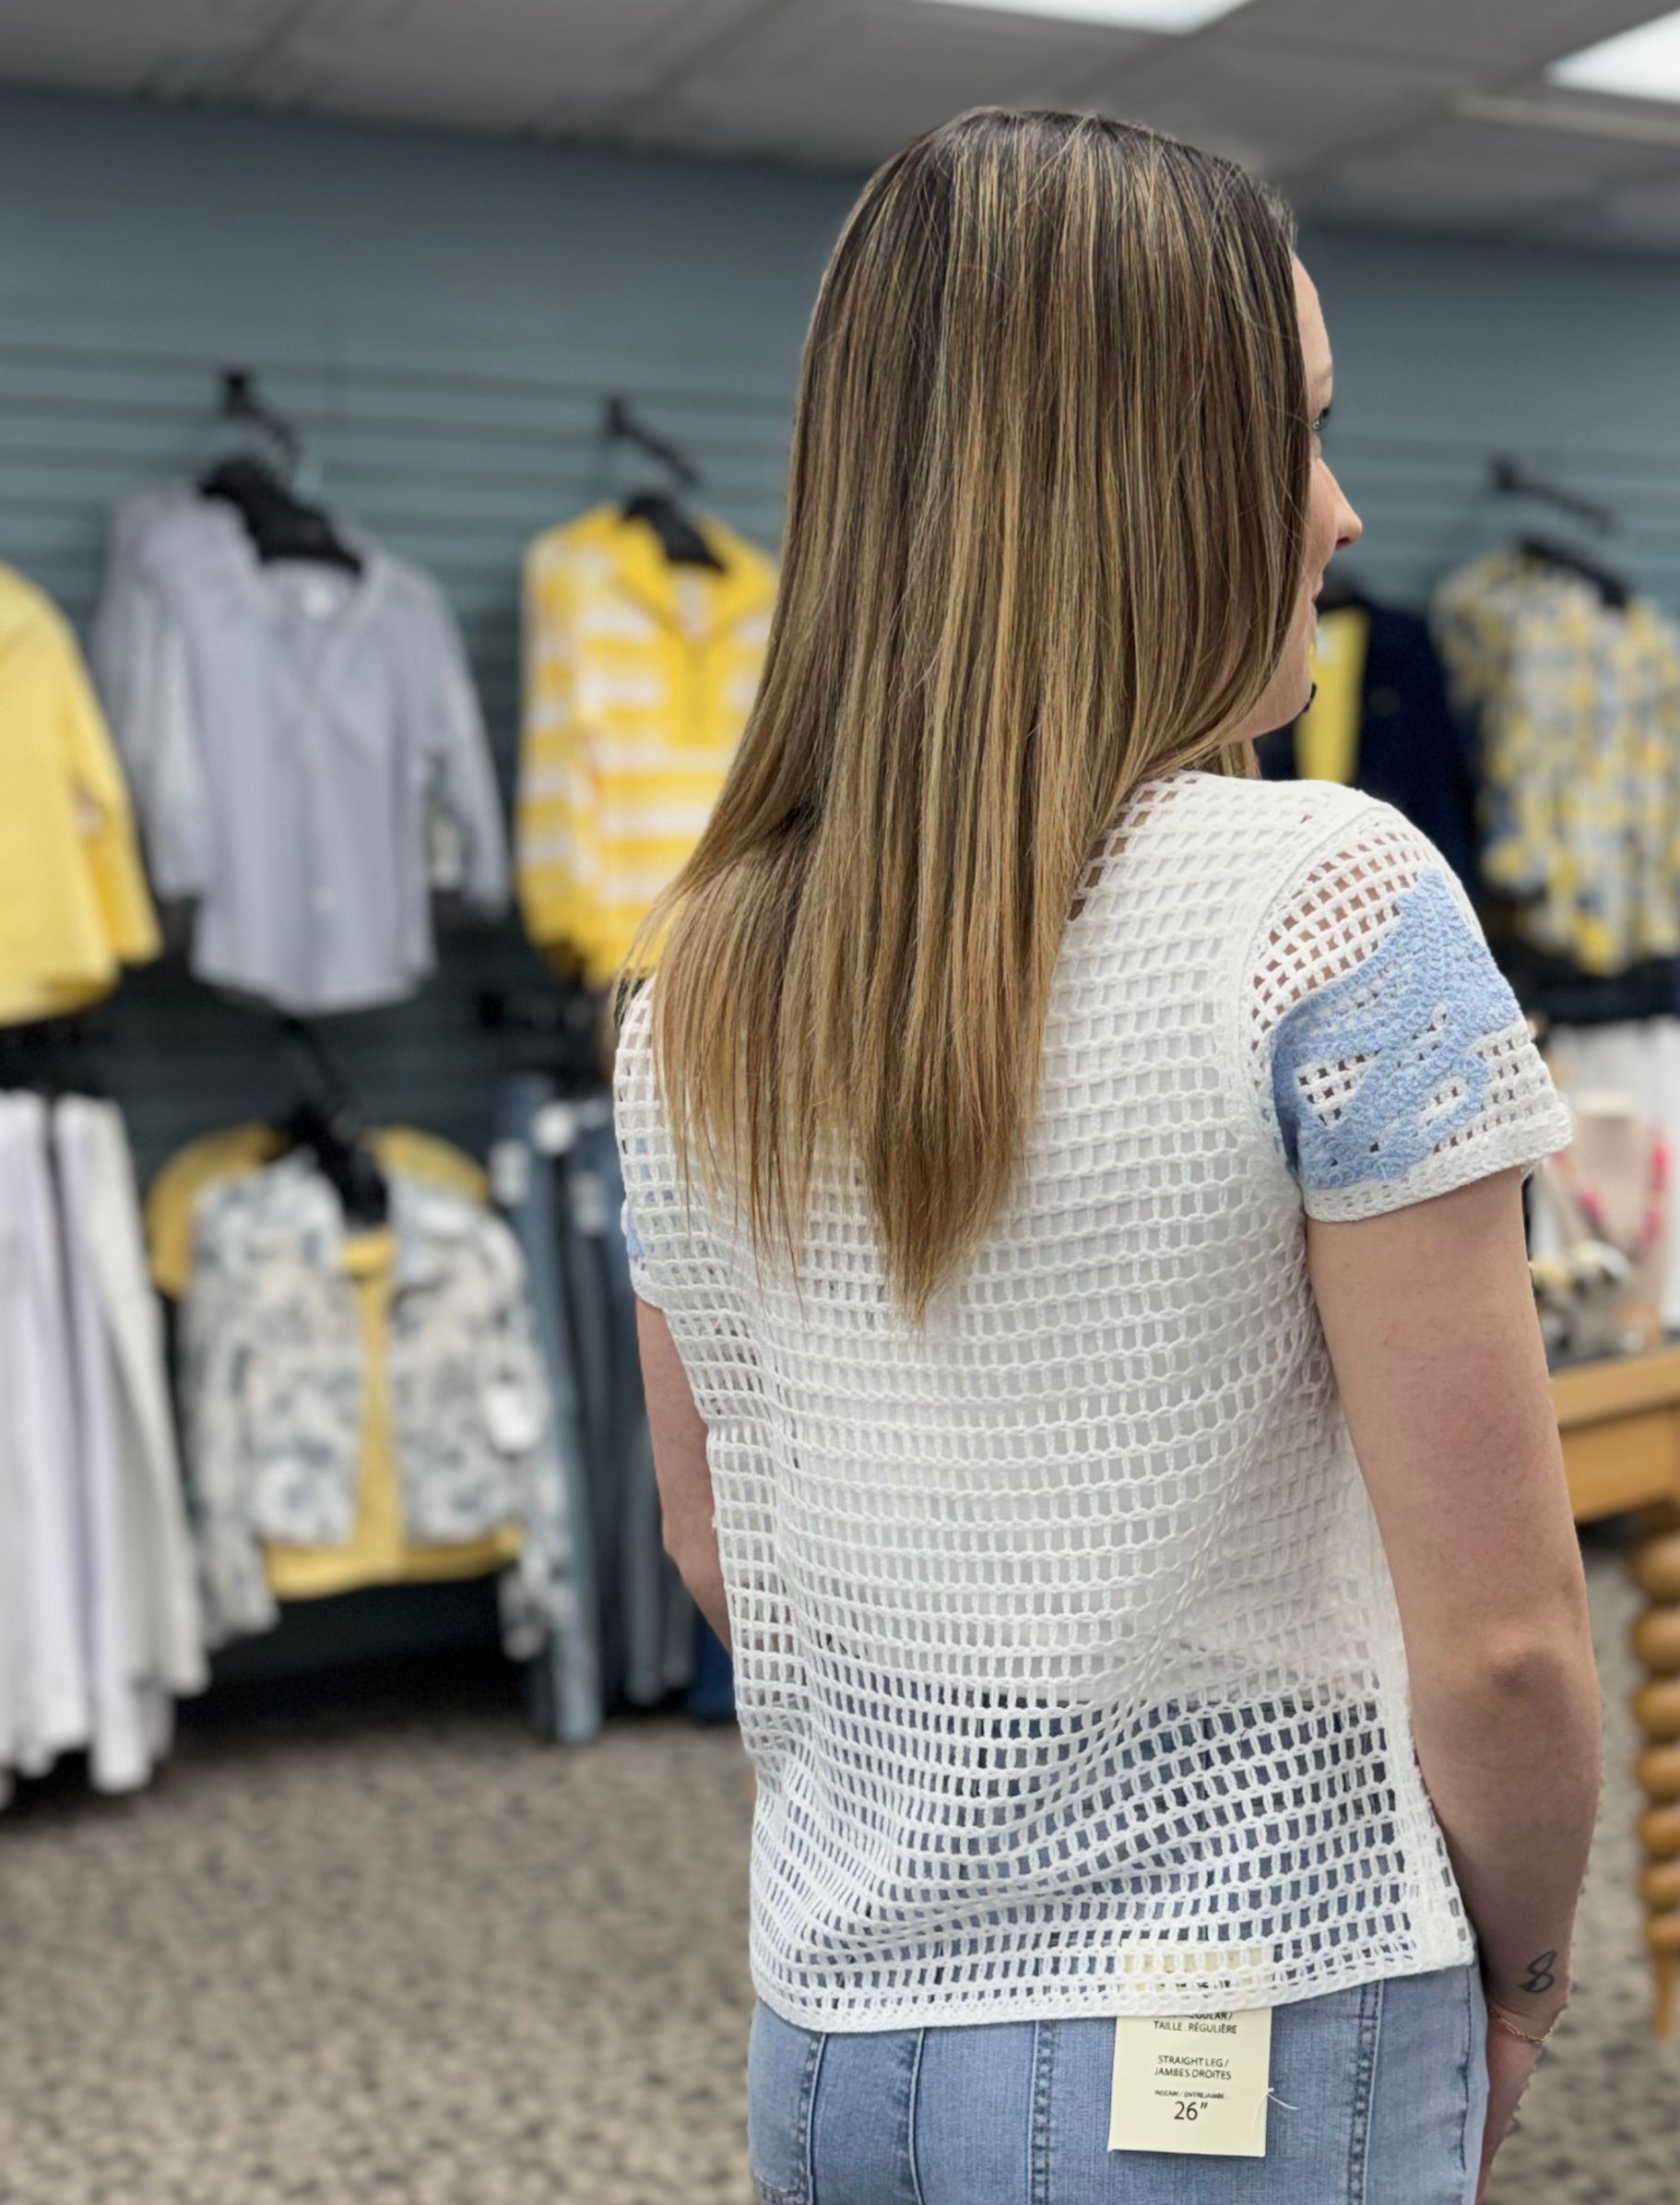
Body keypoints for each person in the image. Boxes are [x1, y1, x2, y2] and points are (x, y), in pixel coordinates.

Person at [614, 107, 1601, 2205]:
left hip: (838, 2052)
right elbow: (1504, 1642)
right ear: (1134, 486)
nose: (1340, 513)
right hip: (1252, 2024)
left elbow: (716, 1545)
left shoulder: (688, 969)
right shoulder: (1326, 897)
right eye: (1296, 439)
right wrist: (1519, 1965)